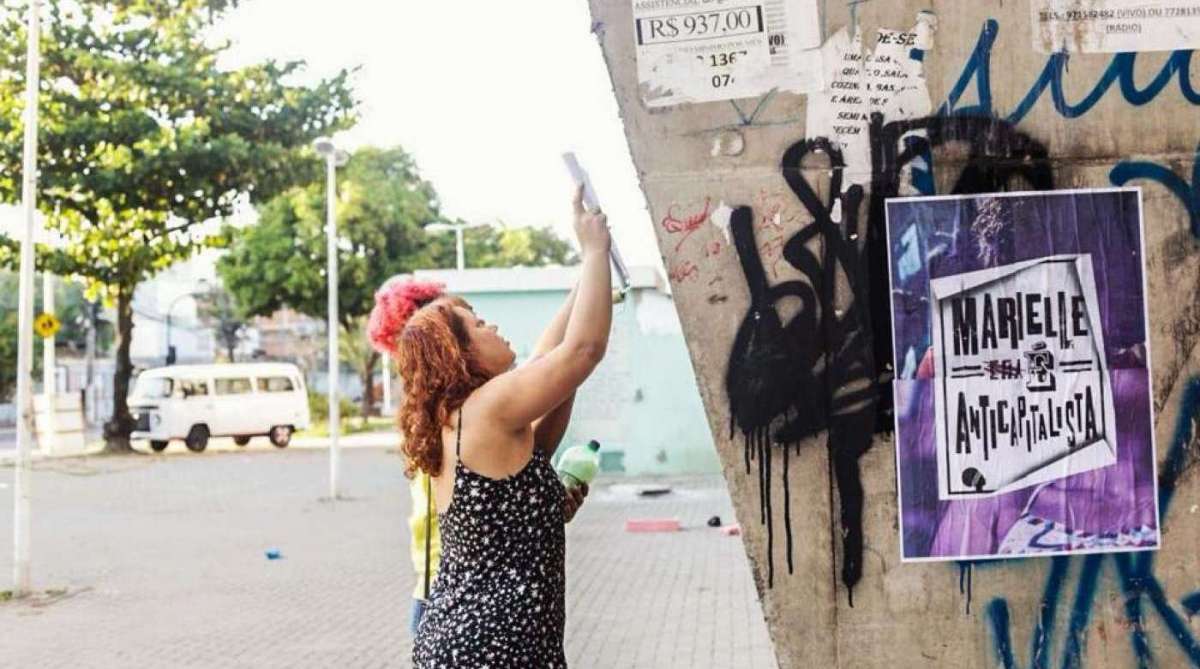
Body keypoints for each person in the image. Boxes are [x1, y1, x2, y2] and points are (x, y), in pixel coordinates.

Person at [368, 186, 610, 667]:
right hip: (490, 648)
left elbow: (548, 358)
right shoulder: (486, 408)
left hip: (474, 642)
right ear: (459, 355)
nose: (493, 327)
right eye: (478, 325)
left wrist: (589, 276)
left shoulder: (463, 418)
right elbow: (581, 351)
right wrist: (595, 252)